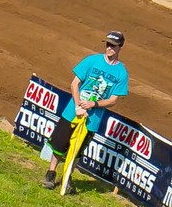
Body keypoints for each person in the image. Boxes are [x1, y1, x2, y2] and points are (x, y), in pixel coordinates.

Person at [42, 31, 130, 185]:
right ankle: (51, 173)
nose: (109, 48)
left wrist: (93, 104)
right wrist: (78, 106)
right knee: (59, 144)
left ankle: (67, 178)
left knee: (77, 149)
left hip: (92, 119)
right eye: (107, 44)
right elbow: (74, 84)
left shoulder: (121, 73)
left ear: (120, 47)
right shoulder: (92, 60)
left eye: (113, 46)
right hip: (72, 112)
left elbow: (113, 100)